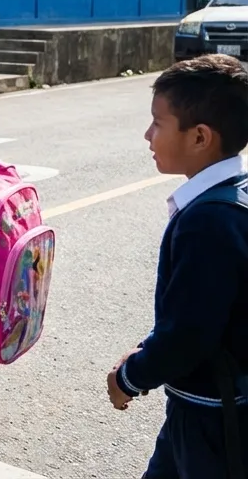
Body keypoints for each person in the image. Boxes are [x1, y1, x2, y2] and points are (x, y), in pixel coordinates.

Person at [110, 54, 248, 478]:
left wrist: (130, 377)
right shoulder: (234, 196)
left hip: (211, 415)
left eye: (158, 123)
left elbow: (190, 334)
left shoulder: (207, 221)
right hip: (211, 402)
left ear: (200, 137)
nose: (147, 135)